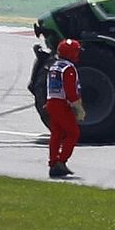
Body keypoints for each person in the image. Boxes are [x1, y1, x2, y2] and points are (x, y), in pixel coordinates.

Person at [45, 38, 85, 179]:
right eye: (77, 51)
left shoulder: (54, 66)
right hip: (62, 104)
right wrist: (79, 109)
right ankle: (61, 161)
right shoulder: (68, 69)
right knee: (73, 133)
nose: (78, 54)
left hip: (51, 103)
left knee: (56, 134)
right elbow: (71, 91)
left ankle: (53, 163)